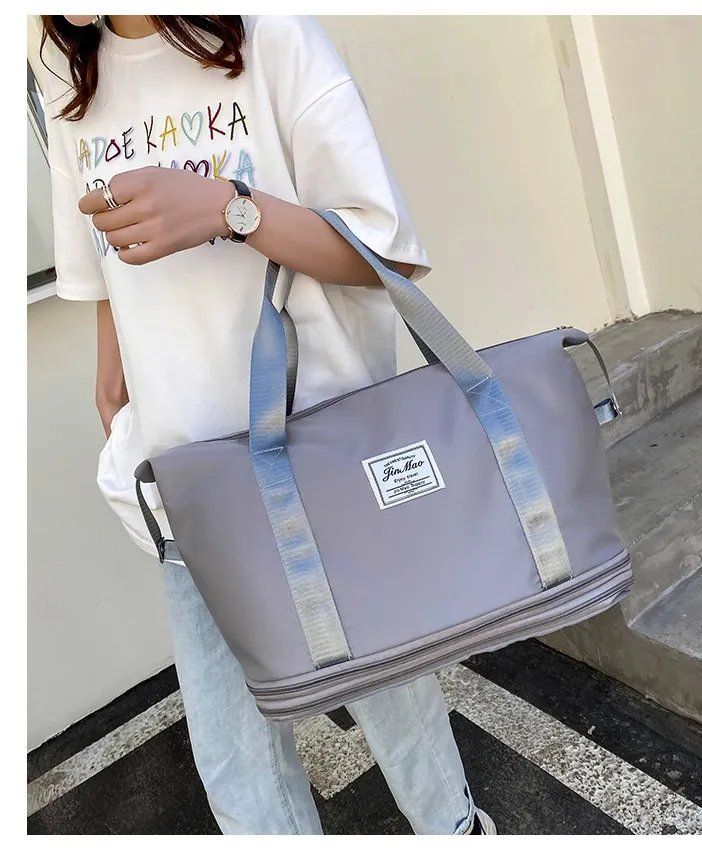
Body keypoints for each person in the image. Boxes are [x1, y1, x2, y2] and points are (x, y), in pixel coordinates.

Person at [39, 15, 496, 836]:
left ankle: (453, 829)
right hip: (184, 467)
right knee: (233, 744)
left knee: (385, 679)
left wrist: (231, 208)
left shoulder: (272, 35)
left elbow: (388, 253)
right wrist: (112, 386)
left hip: (320, 444)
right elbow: (104, 264)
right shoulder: (71, 83)